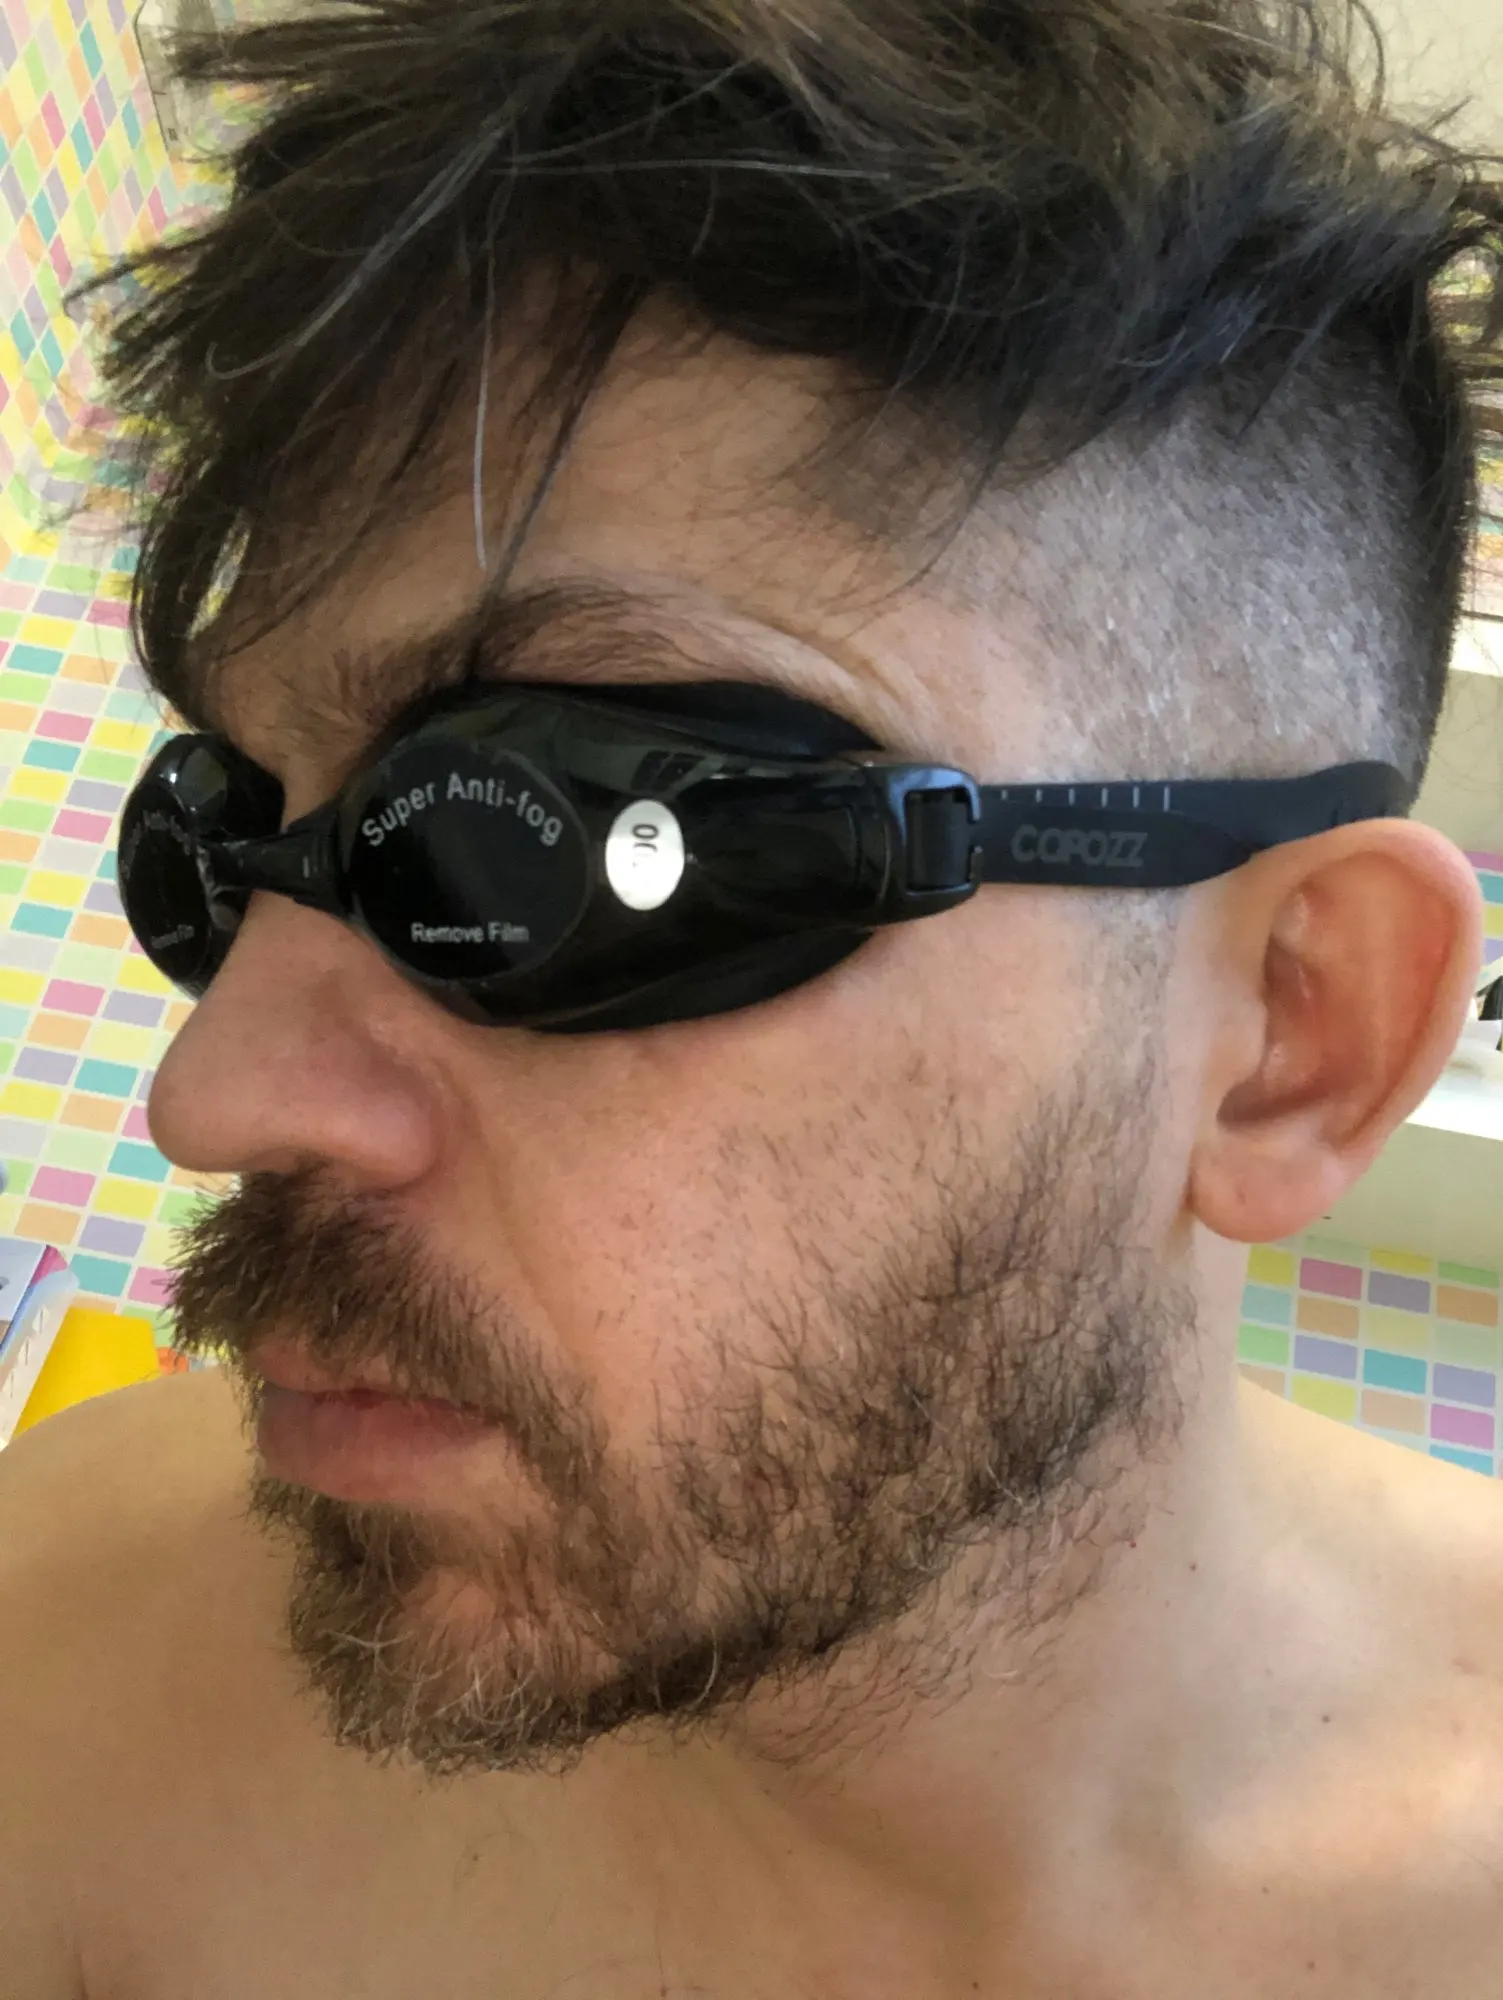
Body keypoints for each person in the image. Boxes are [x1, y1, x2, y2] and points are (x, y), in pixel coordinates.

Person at [4, 0, 1503, 1992]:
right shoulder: (78, 1657)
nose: (214, 1095)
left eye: (550, 836)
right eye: (224, 843)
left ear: (1292, 1036)